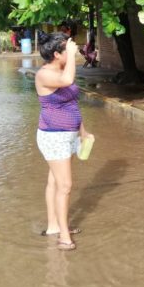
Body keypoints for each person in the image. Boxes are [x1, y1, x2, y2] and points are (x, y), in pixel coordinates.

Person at [35, 32, 93, 251]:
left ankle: (53, 227)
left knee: (55, 182)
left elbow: (71, 104)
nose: (73, 51)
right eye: (66, 50)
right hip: (53, 136)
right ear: (57, 54)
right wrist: (72, 55)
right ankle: (64, 236)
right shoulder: (44, 74)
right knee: (65, 185)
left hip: (68, 134)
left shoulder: (61, 69)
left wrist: (83, 131)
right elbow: (67, 81)